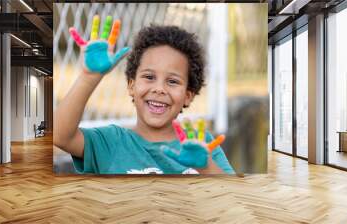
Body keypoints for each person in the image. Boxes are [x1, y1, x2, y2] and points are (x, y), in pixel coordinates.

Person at [54, 15, 235, 175]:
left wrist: (206, 167)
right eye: (149, 77)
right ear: (132, 85)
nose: (159, 89)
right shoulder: (111, 142)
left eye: (172, 81)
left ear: (188, 95)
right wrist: (88, 77)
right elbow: (60, 136)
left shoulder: (199, 143)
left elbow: (233, 196)